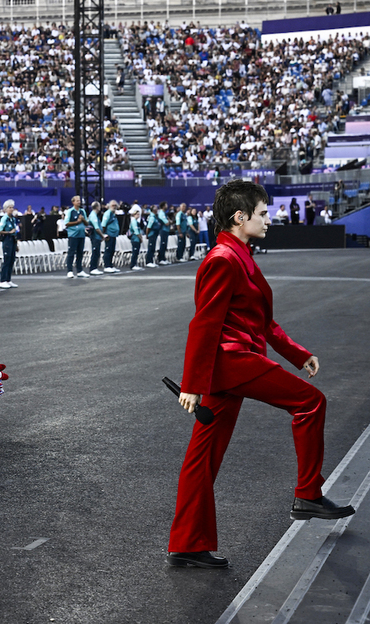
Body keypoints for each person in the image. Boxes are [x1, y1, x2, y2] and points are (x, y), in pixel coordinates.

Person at [167, 180, 354, 570]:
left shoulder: (239, 255)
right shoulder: (222, 258)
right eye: (263, 213)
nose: (270, 220)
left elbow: (263, 323)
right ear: (241, 217)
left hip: (231, 365)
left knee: (202, 459)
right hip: (233, 363)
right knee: (310, 402)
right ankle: (308, 494)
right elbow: (204, 325)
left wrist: (298, 355)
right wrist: (192, 385)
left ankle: (187, 543)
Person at [0, 200, 19, 289]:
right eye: (10, 208)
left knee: (11, 260)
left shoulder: (13, 219)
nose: (12, 209)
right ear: (6, 209)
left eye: (12, 207)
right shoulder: (4, 218)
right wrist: (9, 232)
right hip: (7, 240)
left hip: (13, 240)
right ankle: (3, 280)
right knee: (7, 260)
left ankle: (8, 279)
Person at [65, 195, 88, 278]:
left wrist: (83, 220)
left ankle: (79, 270)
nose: (79, 202)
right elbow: (66, 223)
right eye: (77, 200)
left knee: (80, 253)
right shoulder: (70, 211)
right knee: (71, 252)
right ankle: (69, 271)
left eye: (79, 200)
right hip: (73, 235)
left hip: (81, 235)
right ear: (73, 202)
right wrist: (77, 222)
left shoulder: (82, 211)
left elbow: (86, 223)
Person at [87, 201, 108, 276]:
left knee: (97, 253)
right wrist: (102, 235)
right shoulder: (93, 216)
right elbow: (97, 228)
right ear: (97, 207)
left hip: (97, 237)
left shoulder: (96, 215)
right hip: (95, 237)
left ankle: (95, 267)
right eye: (99, 206)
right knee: (95, 252)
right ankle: (93, 268)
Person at [101, 200, 121, 273]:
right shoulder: (108, 213)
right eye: (113, 205)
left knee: (112, 250)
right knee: (108, 250)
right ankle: (107, 266)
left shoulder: (113, 214)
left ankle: (110, 265)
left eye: (115, 205)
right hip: (109, 234)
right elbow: (103, 225)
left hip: (113, 235)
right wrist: (103, 235)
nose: (114, 207)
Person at [127, 206, 145, 271]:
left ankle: (134, 264)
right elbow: (136, 232)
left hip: (136, 239)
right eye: (137, 214)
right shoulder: (134, 222)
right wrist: (140, 238)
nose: (138, 215)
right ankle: (133, 265)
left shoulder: (136, 221)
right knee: (135, 252)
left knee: (136, 252)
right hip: (135, 239)